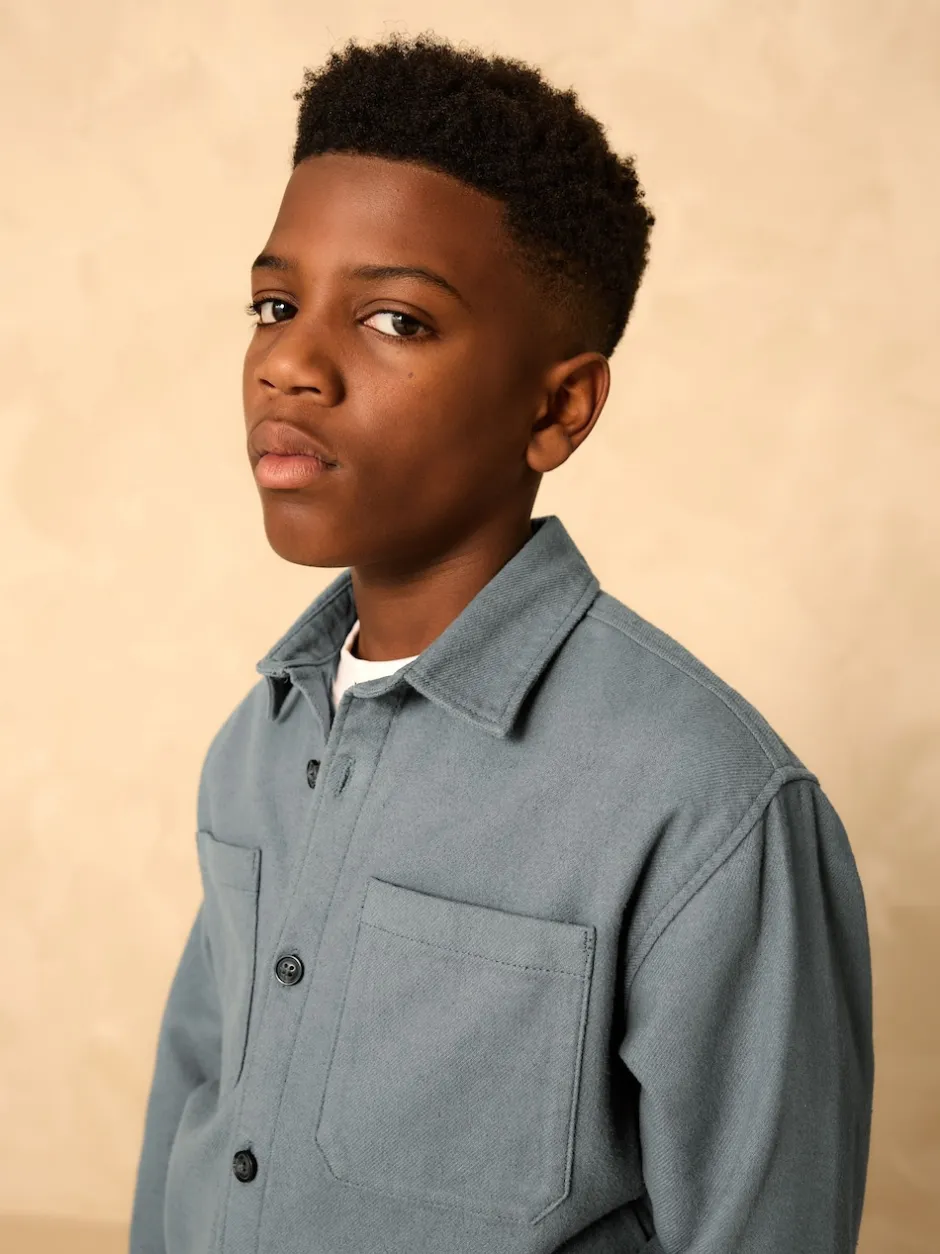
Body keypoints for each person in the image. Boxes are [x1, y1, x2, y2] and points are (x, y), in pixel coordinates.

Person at [129, 30, 873, 1254]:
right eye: (275, 305)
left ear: (558, 406)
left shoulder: (707, 808)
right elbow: (195, 1113)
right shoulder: (255, 745)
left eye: (394, 319)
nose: (290, 364)